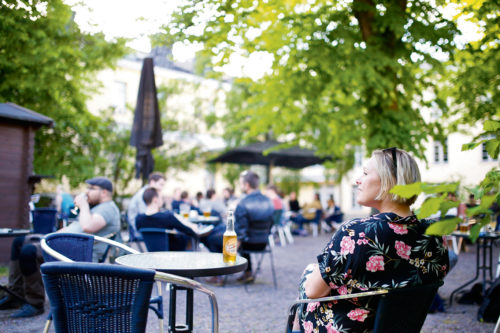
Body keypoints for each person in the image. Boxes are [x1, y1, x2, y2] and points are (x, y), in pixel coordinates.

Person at [289, 148, 449, 332]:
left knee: (306, 283)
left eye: (365, 173)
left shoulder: (357, 233)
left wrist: (312, 270)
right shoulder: (435, 234)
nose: (358, 180)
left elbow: (313, 292)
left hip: (348, 328)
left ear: (390, 182)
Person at [0, 177, 121, 318]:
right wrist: (47, 237)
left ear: (104, 192)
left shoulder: (108, 208)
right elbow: (73, 228)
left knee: (29, 251)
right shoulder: (95, 207)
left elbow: (88, 227)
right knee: (20, 241)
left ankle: (34, 302)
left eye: (91, 188)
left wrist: (84, 206)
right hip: (65, 243)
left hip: (78, 253)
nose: (86, 192)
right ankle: (16, 294)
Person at [234, 170, 274, 283]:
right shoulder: (269, 201)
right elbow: (271, 224)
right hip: (264, 243)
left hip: (248, 244)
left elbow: (241, 233)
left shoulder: (242, 203)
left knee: (216, 238)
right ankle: (248, 272)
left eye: (241, 183)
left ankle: (220, 274)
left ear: (246, 185)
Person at [136, 188, 200, 251]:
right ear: (155, 200)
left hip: (151, 253)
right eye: (161, 198)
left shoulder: (138, 219)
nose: (162, 200)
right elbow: (189, 231)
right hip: (173, 253)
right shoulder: (168, 217)